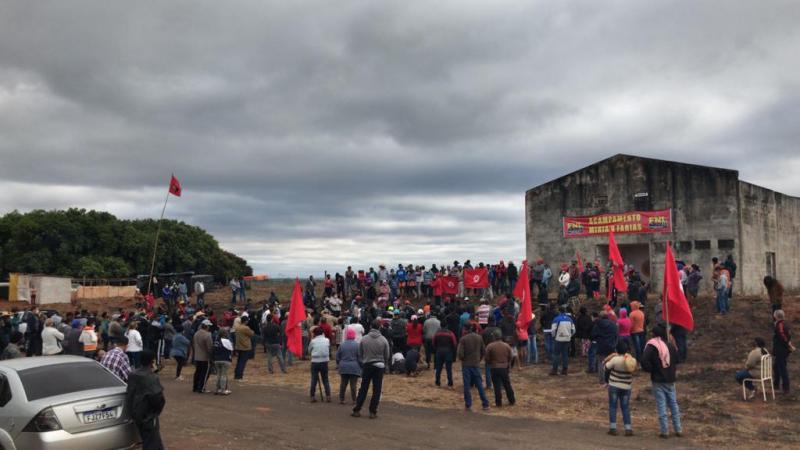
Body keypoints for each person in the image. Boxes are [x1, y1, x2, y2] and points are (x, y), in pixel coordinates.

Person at [641, 324, 682, 439]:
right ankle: (678, 428)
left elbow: (644, 360)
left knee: (661, 404)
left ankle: (665, 431)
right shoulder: (670, 345)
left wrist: (651, 369)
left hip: (658, 379)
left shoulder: (652, 345)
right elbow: (678, 359)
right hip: (671, 379)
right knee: (673, 404)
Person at [125, 350, 166, 450]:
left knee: (148, 439)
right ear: (152, 362)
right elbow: (157, 399)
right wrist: (156, 411)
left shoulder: (133, 374)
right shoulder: (151, 378)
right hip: (148, 415)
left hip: (136, 413)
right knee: (151, 442)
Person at [352, 319, 390, 419]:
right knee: (377, 389)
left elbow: (360, 353)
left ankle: (357, 409)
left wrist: (363, 361)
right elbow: (387, 355)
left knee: (363, 388)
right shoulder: (383, 340)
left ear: (370, 327)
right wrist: (385, 364)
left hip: (367, 364)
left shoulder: (364, 339)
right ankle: (372, 411)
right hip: (379, 366)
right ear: (380, 327)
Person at [604, 341, 637, 436]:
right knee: (625, 407)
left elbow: (605, 368)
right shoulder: (632, 361)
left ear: (617, 350)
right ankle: (628, 428)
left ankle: (613, 428)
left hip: (614, 385)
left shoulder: (615, 360)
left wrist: (609, 358)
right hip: (626, 387)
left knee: (613, 406)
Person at [458, 323, 490, 411]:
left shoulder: (463, 339)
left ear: (465, 329)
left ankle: (468, 404)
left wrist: (463, 359)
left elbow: (460, 353)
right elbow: (484, 351)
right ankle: (485, 403)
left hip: (466, 365)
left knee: (467, 385)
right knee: (479, 384)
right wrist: (479, 359)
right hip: (476, 364)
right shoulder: (479, 337)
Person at [485, 334, 515, 407]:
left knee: (496, 386)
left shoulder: (490, 346)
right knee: (507, 385)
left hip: (494, 367)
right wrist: (508, 364)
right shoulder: (506, 346)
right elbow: (511, 356)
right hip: (504, 368)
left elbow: (486, 358)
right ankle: (512, 400)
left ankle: (498, 403)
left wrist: (490, 363)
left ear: (494, 337)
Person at [592, 311, 619, 383]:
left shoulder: (597, 325)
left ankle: (602, 380)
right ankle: (610, 378)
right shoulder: (613, 324)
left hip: (601, 346)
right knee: (611, 362)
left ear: (600, 317)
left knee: (601, 363)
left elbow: (593, 335)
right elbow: (616, 335)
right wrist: (614, 344)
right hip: (611, 346)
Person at [337, 327, 361, 404]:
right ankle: (354, 400)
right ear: (354, 336)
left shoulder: (342, 345)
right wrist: (361, 365)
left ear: (346, 335)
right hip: (354, 367)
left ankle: (342, 399)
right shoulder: (357, 345)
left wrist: (340, 363)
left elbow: (338, 357)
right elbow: (360, 357)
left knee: (343, 384)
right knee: (353, 385)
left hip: (343, 366)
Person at [549, 306, 575, 376]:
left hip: (558, 339)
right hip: (567, 339)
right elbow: (573, 330)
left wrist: (554, 336)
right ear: (565, 311)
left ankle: (555, 370)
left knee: (556, 354)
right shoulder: (570, 319)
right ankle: (565, 370)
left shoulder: (556, 319)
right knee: (565, 354)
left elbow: (553, 330)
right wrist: (569, 336)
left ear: (559, 311)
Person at [772, 309, 793, 394]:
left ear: (776, 316)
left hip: (781, 351)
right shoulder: (784, 324)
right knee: (776, 367)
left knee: (782, 369)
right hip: (781, 350)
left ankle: (786, 387)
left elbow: (783, 336)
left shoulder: (780, 324)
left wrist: (787, 344)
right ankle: (776, 384)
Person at [309, 327, 332, 403]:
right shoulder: (327, 340)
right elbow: (328, 348)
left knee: (314, 380)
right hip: (324, 361)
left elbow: (309, 350)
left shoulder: (313, 341)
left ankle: (312, 396)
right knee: (325, 379)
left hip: (315, 361)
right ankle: (328, 396)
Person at [192, 320, 214, 393]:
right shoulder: (207, 335)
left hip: (197, 356)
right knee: (204, 374)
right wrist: (211, 356)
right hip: (205, 357)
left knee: (197, 372)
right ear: (207, 326)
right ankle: (201, 388)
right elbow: (209, 347)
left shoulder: (196, 333)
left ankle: (195, 387)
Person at [212, 329, 233, 395]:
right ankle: (223, 390)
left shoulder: (216, 341)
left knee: (218, 374)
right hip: (225, 359)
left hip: (217, 360)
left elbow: (213, 350)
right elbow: (231, 349)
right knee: (223, 375)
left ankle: (217, 389)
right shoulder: (227, 341)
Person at [233, 315, 254, 380]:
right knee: (242, 362)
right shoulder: (245, 328)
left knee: (239, 361)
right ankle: (239, 375)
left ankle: (236, 374)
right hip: (245, 347)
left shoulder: (237, 327)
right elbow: (252, 334)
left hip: (239, 346)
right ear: (245, 321)